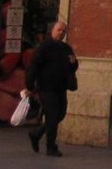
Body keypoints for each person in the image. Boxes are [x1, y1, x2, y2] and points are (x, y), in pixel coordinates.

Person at [23, 19, 78, 156]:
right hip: (46, 87)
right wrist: (29, 85)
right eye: (59, 30)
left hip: (61, 87)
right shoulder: (44, 47)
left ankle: (36, 133)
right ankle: (51, 147)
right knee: (52, 116)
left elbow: (73, 66)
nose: (61, 33)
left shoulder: (66, 48)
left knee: (61, 114)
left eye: (64, 31)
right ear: (52, 30)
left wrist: (73, 62)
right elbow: (33, 66)